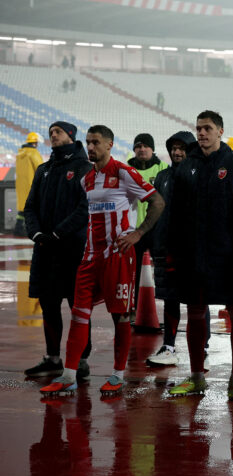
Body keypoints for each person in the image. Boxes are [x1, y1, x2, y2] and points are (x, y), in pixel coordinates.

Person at [40, 125, 165, 396]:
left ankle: (118, 375)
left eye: (96, 142)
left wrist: (138, 233)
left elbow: (157, 202)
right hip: (89, 257)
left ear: (109, 145)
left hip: (117, 256)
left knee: (120, 316)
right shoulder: (86, 179)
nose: (90, 147)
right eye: (88, 142)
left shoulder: (123, 172)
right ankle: (69, 376)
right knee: (79, 314)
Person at [166, 110, 233, 399]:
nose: (202, 133)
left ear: (220, 131)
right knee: (194, 311)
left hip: (228, 256)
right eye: (198, 128)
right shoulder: (186, 167)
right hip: (193, 256)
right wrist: (173, 253)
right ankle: (196, 377)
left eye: (207, 128)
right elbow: (175, 214)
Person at [23, 122, 92, 381]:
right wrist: (36, 234)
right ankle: (53, 358)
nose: (53, 135)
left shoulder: (84, 168)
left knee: (78, 306)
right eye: (51, 132)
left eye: (58, 132)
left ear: (71, 136)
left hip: (73, 249)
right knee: (48, 304)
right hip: (45, 249)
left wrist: (57, 233)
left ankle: (81, 361)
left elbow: (85, 208)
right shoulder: (44, 169)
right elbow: (30, 207)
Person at [145, 131, 211, 367]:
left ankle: (202, 348)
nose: (176, 152)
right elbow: (155, 211)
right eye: (173, 148)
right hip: (165, 248)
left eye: (182, 148)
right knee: (170, 297)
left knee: (198, 300)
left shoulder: (201, 173)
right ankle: (169, 347)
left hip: (193, 250)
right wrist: (153, 241)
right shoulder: (163, 176)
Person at [127, 133, 168, 321]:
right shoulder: (126, 171)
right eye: (138, 146)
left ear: (152, 149)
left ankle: (167, 310)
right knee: (132, 273)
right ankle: (132, 309)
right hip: (134, 230)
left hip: (158, 229)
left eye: (146, 146)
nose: (142, 149)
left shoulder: (163, 169)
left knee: (163, 272)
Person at [15, 132, 43, 237]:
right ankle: (30, 229)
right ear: (35, 143)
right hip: (31, 185)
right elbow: (40, 168)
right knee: (32, 208)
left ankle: (18, 228)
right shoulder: (33, 153)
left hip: (20, 185)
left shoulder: (20, 154)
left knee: (22, 208)